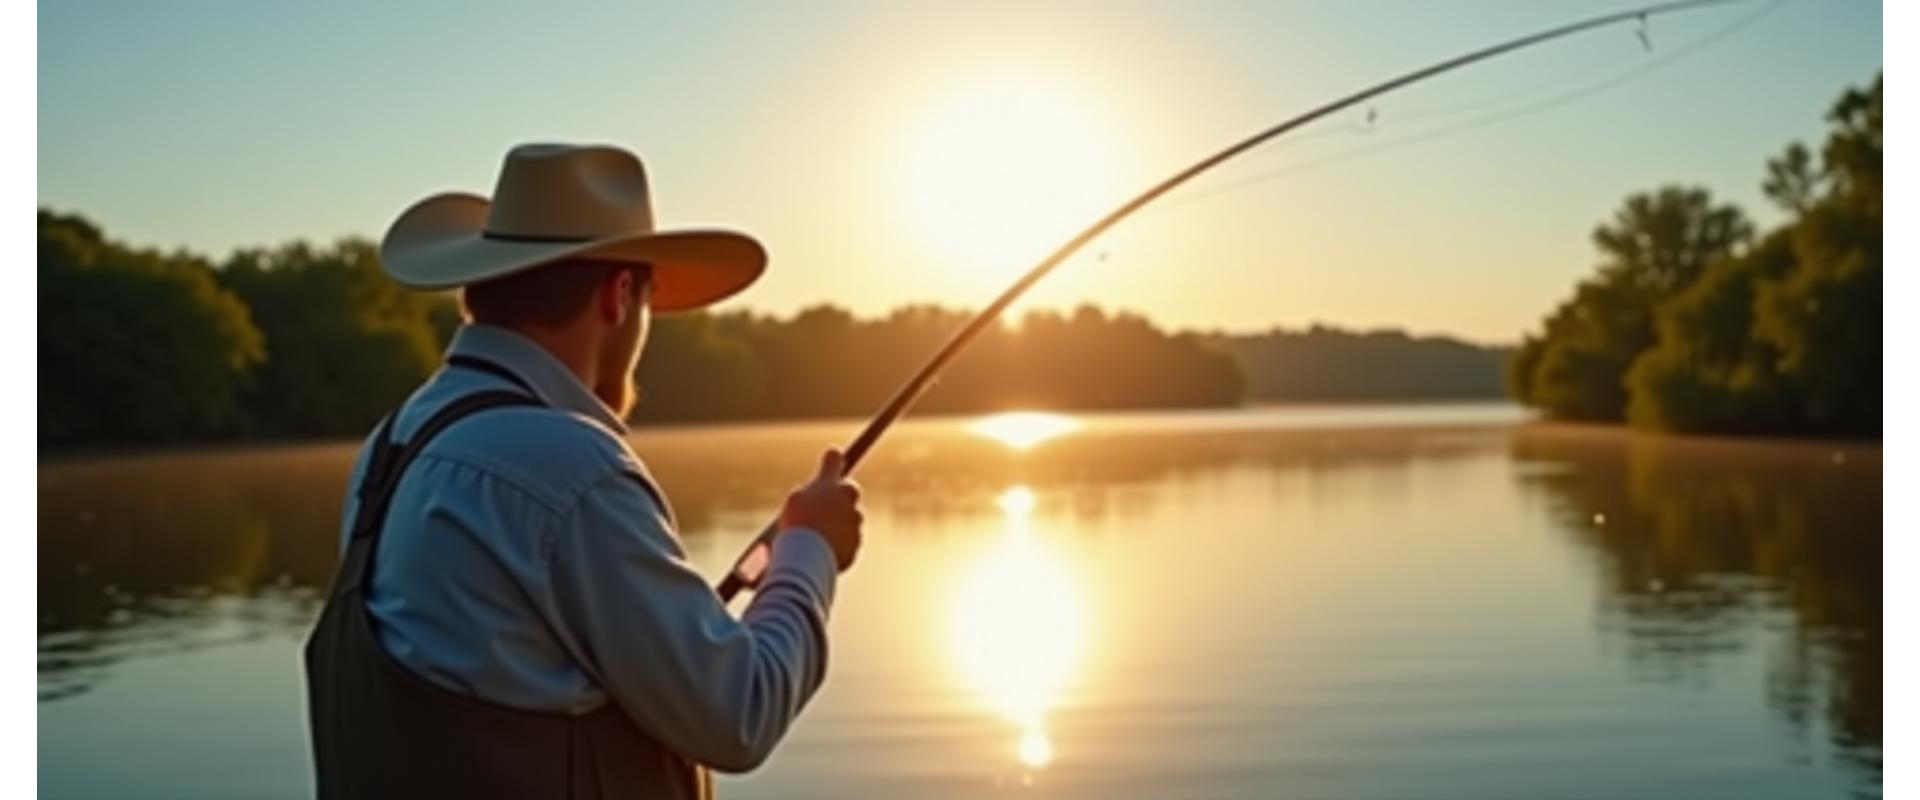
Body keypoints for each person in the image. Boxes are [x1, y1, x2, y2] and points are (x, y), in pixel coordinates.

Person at [304, 143, 863, 799]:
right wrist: (809, 549)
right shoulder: (569, 466)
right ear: (620, 295)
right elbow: (739, 714)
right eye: (650, 298)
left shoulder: (391, 446)